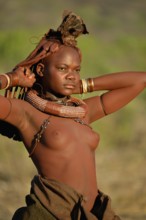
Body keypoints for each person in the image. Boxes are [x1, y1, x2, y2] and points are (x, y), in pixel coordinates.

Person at [0, 11, 145, 220]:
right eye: (62, 68)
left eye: (76, 70)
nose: (71, 75)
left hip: (95, 213)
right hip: (51, 212)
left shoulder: (82, 112)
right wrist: (10, 79)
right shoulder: (25, 113)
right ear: (41, 69)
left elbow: (140, 80)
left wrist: (85, 85)